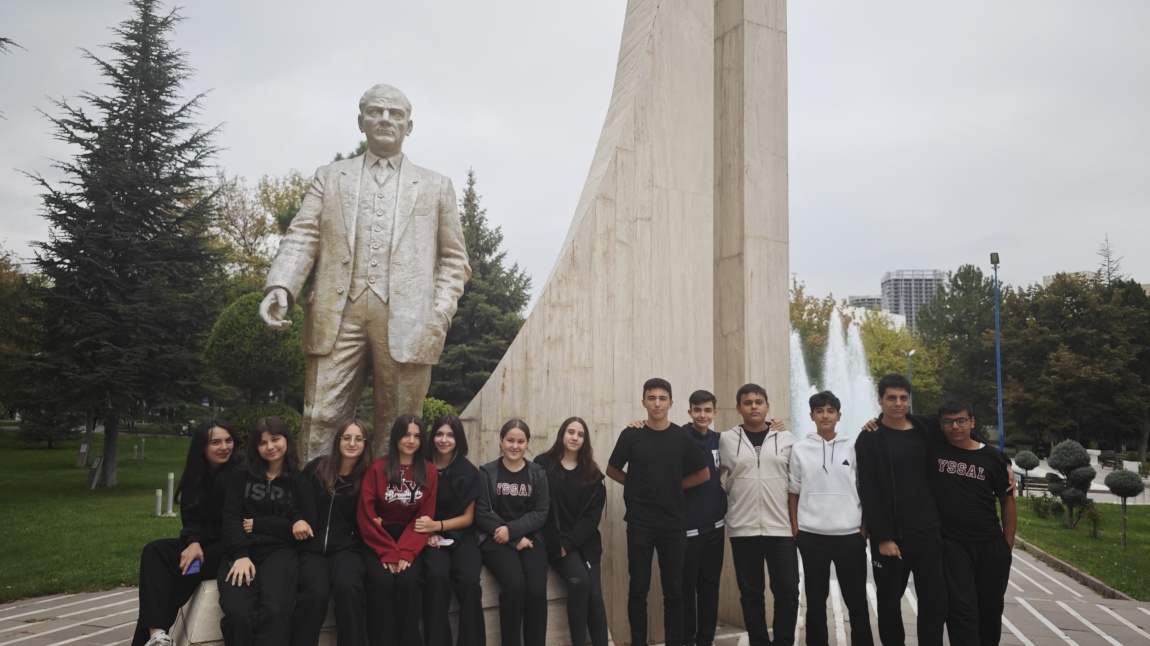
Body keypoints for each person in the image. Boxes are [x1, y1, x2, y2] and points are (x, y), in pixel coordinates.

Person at [260, 83, 471, 460]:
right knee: (322, 416)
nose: (386, 119)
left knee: (400, 427)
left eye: (396, 113)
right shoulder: (330, 176)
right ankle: (316, 508)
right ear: (361, 122)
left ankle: (388, 512)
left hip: (409, 321)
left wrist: (437, 314)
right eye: (376, 111)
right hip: (337, 316)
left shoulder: (437, 186)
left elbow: (455, 260)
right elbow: (304, 234)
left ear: (410, 125)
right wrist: (282, 285)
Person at [607, 378, 709, 646]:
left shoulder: (682, 437)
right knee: (638, 588)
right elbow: (612, 469)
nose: (657, 403)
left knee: (674, 590)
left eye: (662, 398)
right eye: (651, 398)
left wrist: (674, 486)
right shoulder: (631, 434)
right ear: (643, 402)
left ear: (671, 403)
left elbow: (703, 473)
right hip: (640, 522)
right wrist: (638, 485)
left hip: (674, 523)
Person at [855, 374, 947, 646]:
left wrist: (1002, 461)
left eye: (903, 398)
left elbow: (964, 431)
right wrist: (882, 536)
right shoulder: (869, 438)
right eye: (891, 398)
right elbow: (868, 490)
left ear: (909, 400)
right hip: (891, 537)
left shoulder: (925, 428)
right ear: (880, 400)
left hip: (927, 532)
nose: (898, 403)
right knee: (888, 602)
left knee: (935, 602)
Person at [132, 420, 240, 646]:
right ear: (202, 446)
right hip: (204, 544)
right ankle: (157, 634)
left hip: (231, 546)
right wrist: (193, 542)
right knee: (155, 552)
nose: (224, 447)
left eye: (228, 440)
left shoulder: (241, 471)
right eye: (216, 442)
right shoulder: (196, 473)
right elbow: (191, 518)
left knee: (177, 577)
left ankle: (151, 638)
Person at [787, 391, 873, 646]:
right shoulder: (800, 449)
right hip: (812, 536)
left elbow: (864, 489)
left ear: (838, 415)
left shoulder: (853, 446)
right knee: (814, 602)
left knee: (857, 601)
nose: (825, 415)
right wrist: (796, 530)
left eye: (830, 411)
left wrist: (863, 530)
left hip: (850, 536)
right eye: (819, 411)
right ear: (811, 415)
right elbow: (793, 491)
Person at [928, 398, 1015, 646]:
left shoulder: (993, 458)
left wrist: (1007, 547)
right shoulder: (934, 449)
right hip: (953, 545)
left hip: (990, 545)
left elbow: (1007, 502)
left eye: (961, 421)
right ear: (941, 424)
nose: (955, 426)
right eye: (948, 422)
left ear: (972, 422)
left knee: (990, 609)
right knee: (961, 611)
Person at [218, 417, 310, 646]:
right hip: (241, 551)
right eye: (262, 442)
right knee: (239, 614)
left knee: (275, 611)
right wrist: (240, 555)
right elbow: (230, 518)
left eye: (275, 439)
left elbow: (304, 526)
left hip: (280, 553)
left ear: (286, 441)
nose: (270, 447)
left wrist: (264, 523)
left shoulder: (298, 481)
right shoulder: (241, 475)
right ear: (255, 447)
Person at [719, 383, 799, 646]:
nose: (753, 406)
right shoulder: (726, 439)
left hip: (781, 529)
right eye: (747, 402)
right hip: (743, 529)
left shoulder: (787, 439)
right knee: (751, 594)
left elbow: (797, 484)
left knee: (787, 592)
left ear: (767, 406)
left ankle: (784, 641)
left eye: (758, 402)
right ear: (738, 408)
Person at [291, 419, 378, 646]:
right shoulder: (317, 468)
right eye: (346, 438)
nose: (352, 443)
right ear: (338, 440)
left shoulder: (367, 478)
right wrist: (297, 518)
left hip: (346, 549)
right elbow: (294, 499)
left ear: (365, 444)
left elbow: (374, 511)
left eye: (359, 439)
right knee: (316, 594)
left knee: (350, 588)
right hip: (311, 547)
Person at [358, 414, 438, 646]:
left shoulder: (429, 471)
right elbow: (366, 513)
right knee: (381, 584)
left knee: (409, 583)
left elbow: (425, 517)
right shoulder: (378, 468)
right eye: (406, 435)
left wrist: (406, 552)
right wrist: (387, 551)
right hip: (378, 539)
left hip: (410, 538)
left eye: (416, 436)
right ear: (396, 437)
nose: (411, 440)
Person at [475, 419, 550, 646]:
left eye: (520, 441)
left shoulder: (537, 473)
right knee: (515, 586)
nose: (515, 446)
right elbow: (482, 512)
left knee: (536, 592)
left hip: (530, 539)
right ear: (501, 441)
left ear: (527, 444)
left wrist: (513, 531)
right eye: (510, 440)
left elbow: (540, 512)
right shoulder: (487, 473)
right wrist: (511, 537)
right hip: (494, 539)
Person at [535, 416, 609, 646]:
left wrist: (568, 543)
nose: (575, 437)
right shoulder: (543, 465)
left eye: (580, 434)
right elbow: (540, 507)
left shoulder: (593, 475)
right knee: (579, 583)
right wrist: (559, 543)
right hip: (553, 539)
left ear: (585, 440)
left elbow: (591, 519)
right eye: (570, 432)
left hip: (581, 542)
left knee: (595, 596)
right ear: (562, 434)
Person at [415, 415, 485, 646]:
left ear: (458, 439)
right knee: (436, 578)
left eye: (450, 435)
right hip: (427, 537)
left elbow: (468, 518)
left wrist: (438, 526)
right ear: (432, 436)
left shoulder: (468, 471)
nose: (444, 440)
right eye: (439, 434)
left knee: (469, 581)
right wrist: (429, 532)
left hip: (460, 535)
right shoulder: (420, 467)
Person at [681, 390, 726, 646]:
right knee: (687, 589)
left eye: (707, 410)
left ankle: (705, 640)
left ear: (715, 413)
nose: (702, 415)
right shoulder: (679, 438)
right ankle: (687, 639)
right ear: (689, 412)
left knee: (709, 588)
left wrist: (774, 424)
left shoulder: (720, 440)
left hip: (715, 527)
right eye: (697, 410)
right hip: (688, 530)